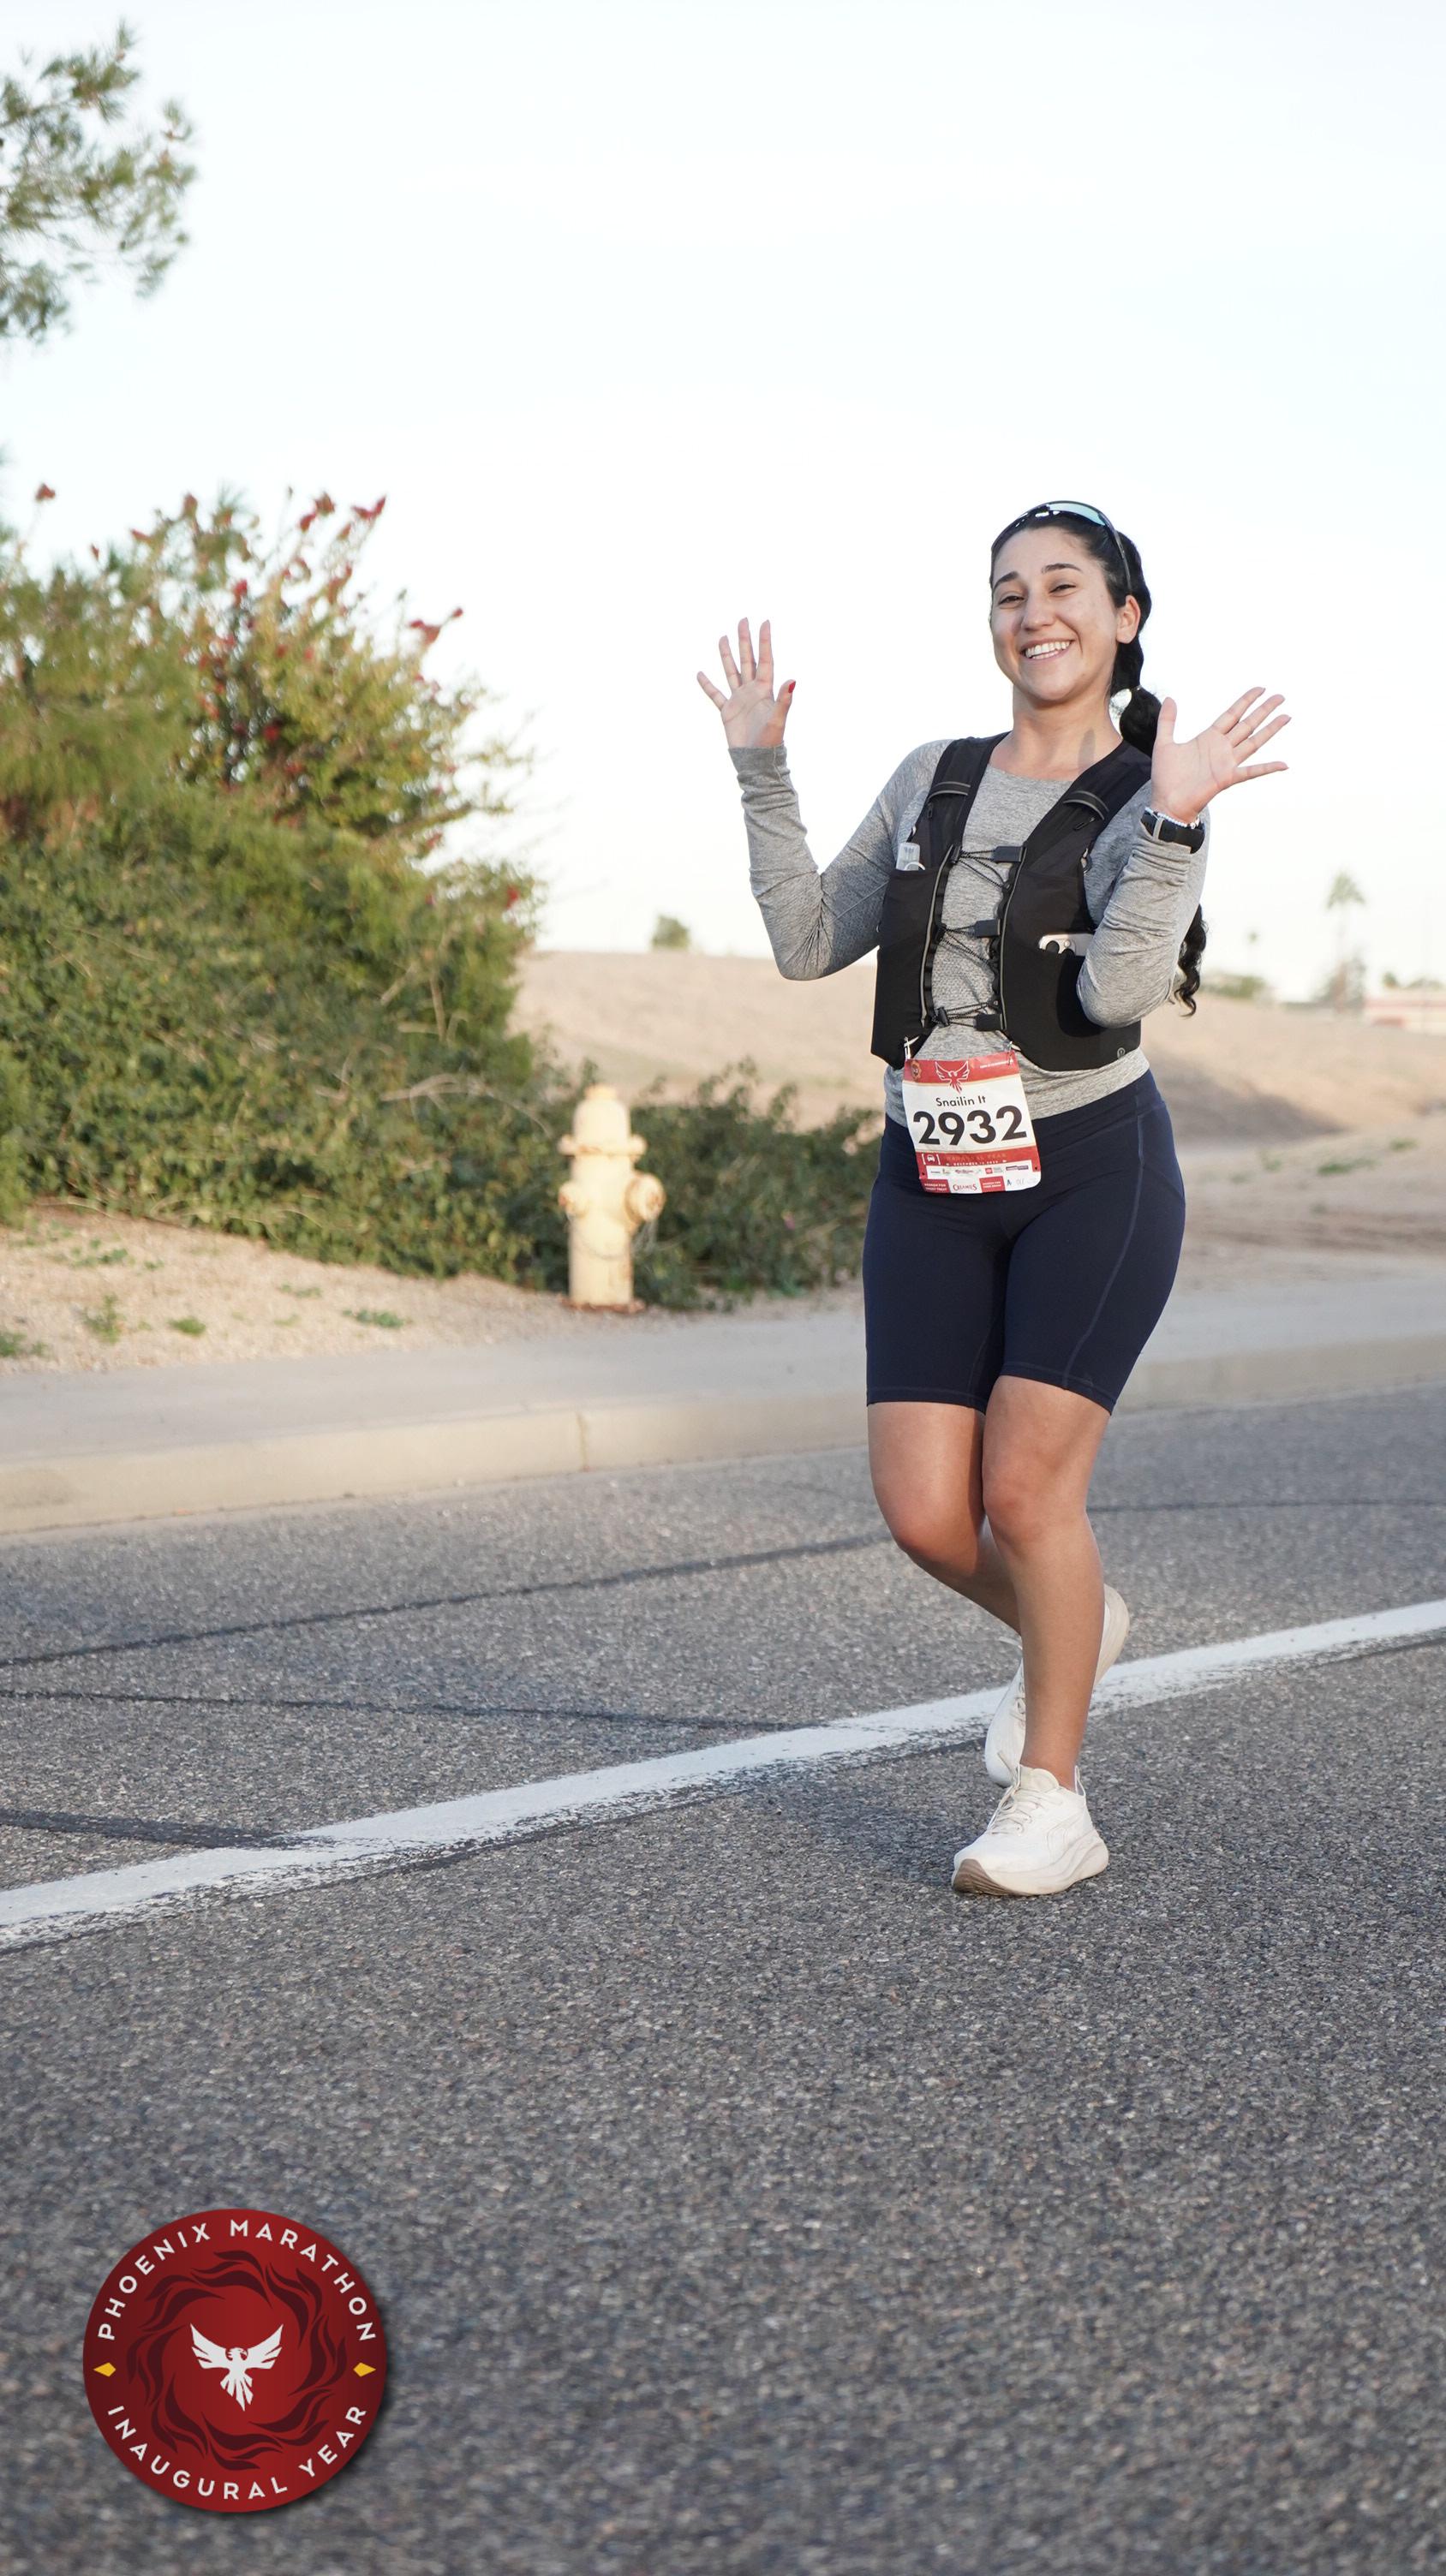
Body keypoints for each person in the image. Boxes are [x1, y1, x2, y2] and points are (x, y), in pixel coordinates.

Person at [698, 500, 1288, 1899]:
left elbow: (1116, 990)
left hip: (1090, 1170)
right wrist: (760, 768)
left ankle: (1052, 1801)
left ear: (1123, 618)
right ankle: (1079, 1616)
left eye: (1066, 586)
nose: (1036, 612)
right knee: (923, 1512)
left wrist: (1179, 817)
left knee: (1025, 1494)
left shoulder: (1153, 786)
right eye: (1010, 590)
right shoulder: (934, 777)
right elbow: (807, 943)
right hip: (931, 1172)